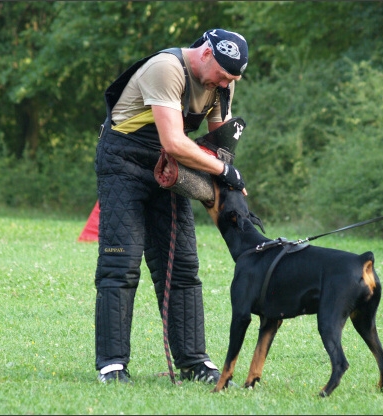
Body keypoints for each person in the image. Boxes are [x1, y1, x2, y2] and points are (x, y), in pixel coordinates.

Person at [94, 29, 249, 384]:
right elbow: (175, 141)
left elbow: (218, 142)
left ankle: (195, 363)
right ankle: (112, 365)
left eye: (232, 79)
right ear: (206, 53)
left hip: (170, 168)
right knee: (122, 262)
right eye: (222, 75)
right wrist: (225, 171)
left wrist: (228, 184)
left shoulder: (224, 82)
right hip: (124, 161)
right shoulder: (167, 68)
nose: (224, 83)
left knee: (182, 266)